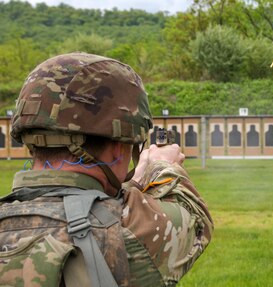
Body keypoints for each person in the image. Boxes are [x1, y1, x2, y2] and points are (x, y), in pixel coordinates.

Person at [0, 52, 213, 286]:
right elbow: (194, 218)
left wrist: (132, 184)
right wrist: (162, 168)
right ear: (117, 148)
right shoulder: (126, 229)